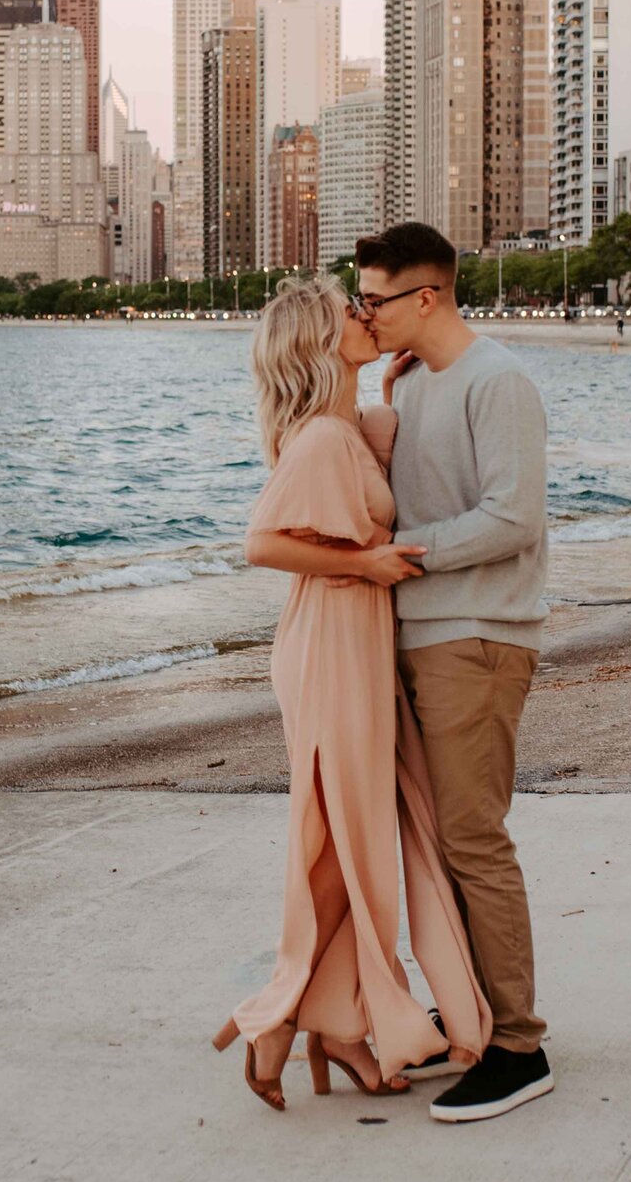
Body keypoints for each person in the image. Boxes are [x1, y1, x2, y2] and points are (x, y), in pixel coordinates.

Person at [217, 273, 491, 1113]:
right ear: (319, 337)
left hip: (353, 638)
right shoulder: (322, 443)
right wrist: (364, 562)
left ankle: (335, 1020)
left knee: (353, 837)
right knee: (340, 841)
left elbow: (382, 457)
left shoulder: (340, 427)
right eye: (350, 310)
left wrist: (393, 373)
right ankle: (282, 1016)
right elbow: (262, 543)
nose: (365, 314)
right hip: (333, 638)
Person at [353, 222, 555, 1125]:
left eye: (376, 298)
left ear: (425, 295)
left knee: (474, 836)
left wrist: (410, 553)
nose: (366, 312)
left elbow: (514, 517)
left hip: (477, 635)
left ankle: (520, 1044)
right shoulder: (416, 380)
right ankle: (472, 1011)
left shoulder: (497, 380)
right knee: (443, 840)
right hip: (424, 632)